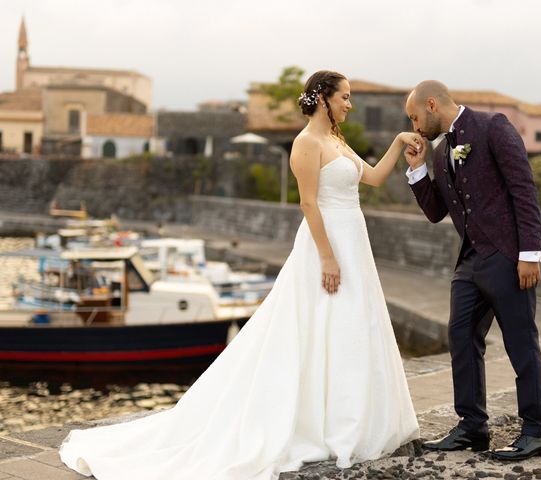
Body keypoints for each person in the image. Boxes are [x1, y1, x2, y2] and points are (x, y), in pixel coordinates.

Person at [59, 70, 423, 480]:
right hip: (327, 246)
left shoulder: (337, 141)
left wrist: (397, 142)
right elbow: (308, 204)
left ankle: (351, 417)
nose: (349, 104)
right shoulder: (305, 144)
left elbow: (372, 178)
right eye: (345, 97)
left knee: (352, 325)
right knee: (317, 324)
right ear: (323, 97)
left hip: (355, 243)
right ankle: (317, 421)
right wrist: (327, 257)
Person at [403, 80, 541, 461]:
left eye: (415, 116)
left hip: (508, 254)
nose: (416, 126)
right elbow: (438, 212)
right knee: (461, 336)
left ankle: (536, 432)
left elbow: (523, 189)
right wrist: (419, 170)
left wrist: (529, 254)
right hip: (470, 259)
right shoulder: (439, 154)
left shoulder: (493, 127)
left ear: (432, 105)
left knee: (520, 342)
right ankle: (472, 426)